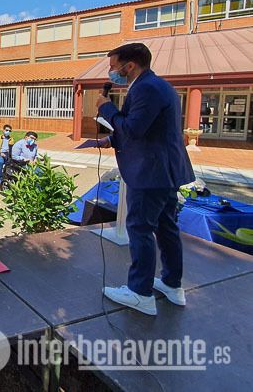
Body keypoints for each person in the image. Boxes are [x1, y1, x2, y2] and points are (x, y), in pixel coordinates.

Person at [96, 43, 195, 316]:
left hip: (150, 173)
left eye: (113, 66)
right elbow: (151, 130)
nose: (111, 72)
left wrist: (106, 109)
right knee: (166, 227)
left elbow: (134, 129)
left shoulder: (145, 88)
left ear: (130, 66)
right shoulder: (159, 86)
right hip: (165, 171)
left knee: (140, 228)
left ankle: (140, 293)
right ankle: (172, 285)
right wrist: (112, 139)